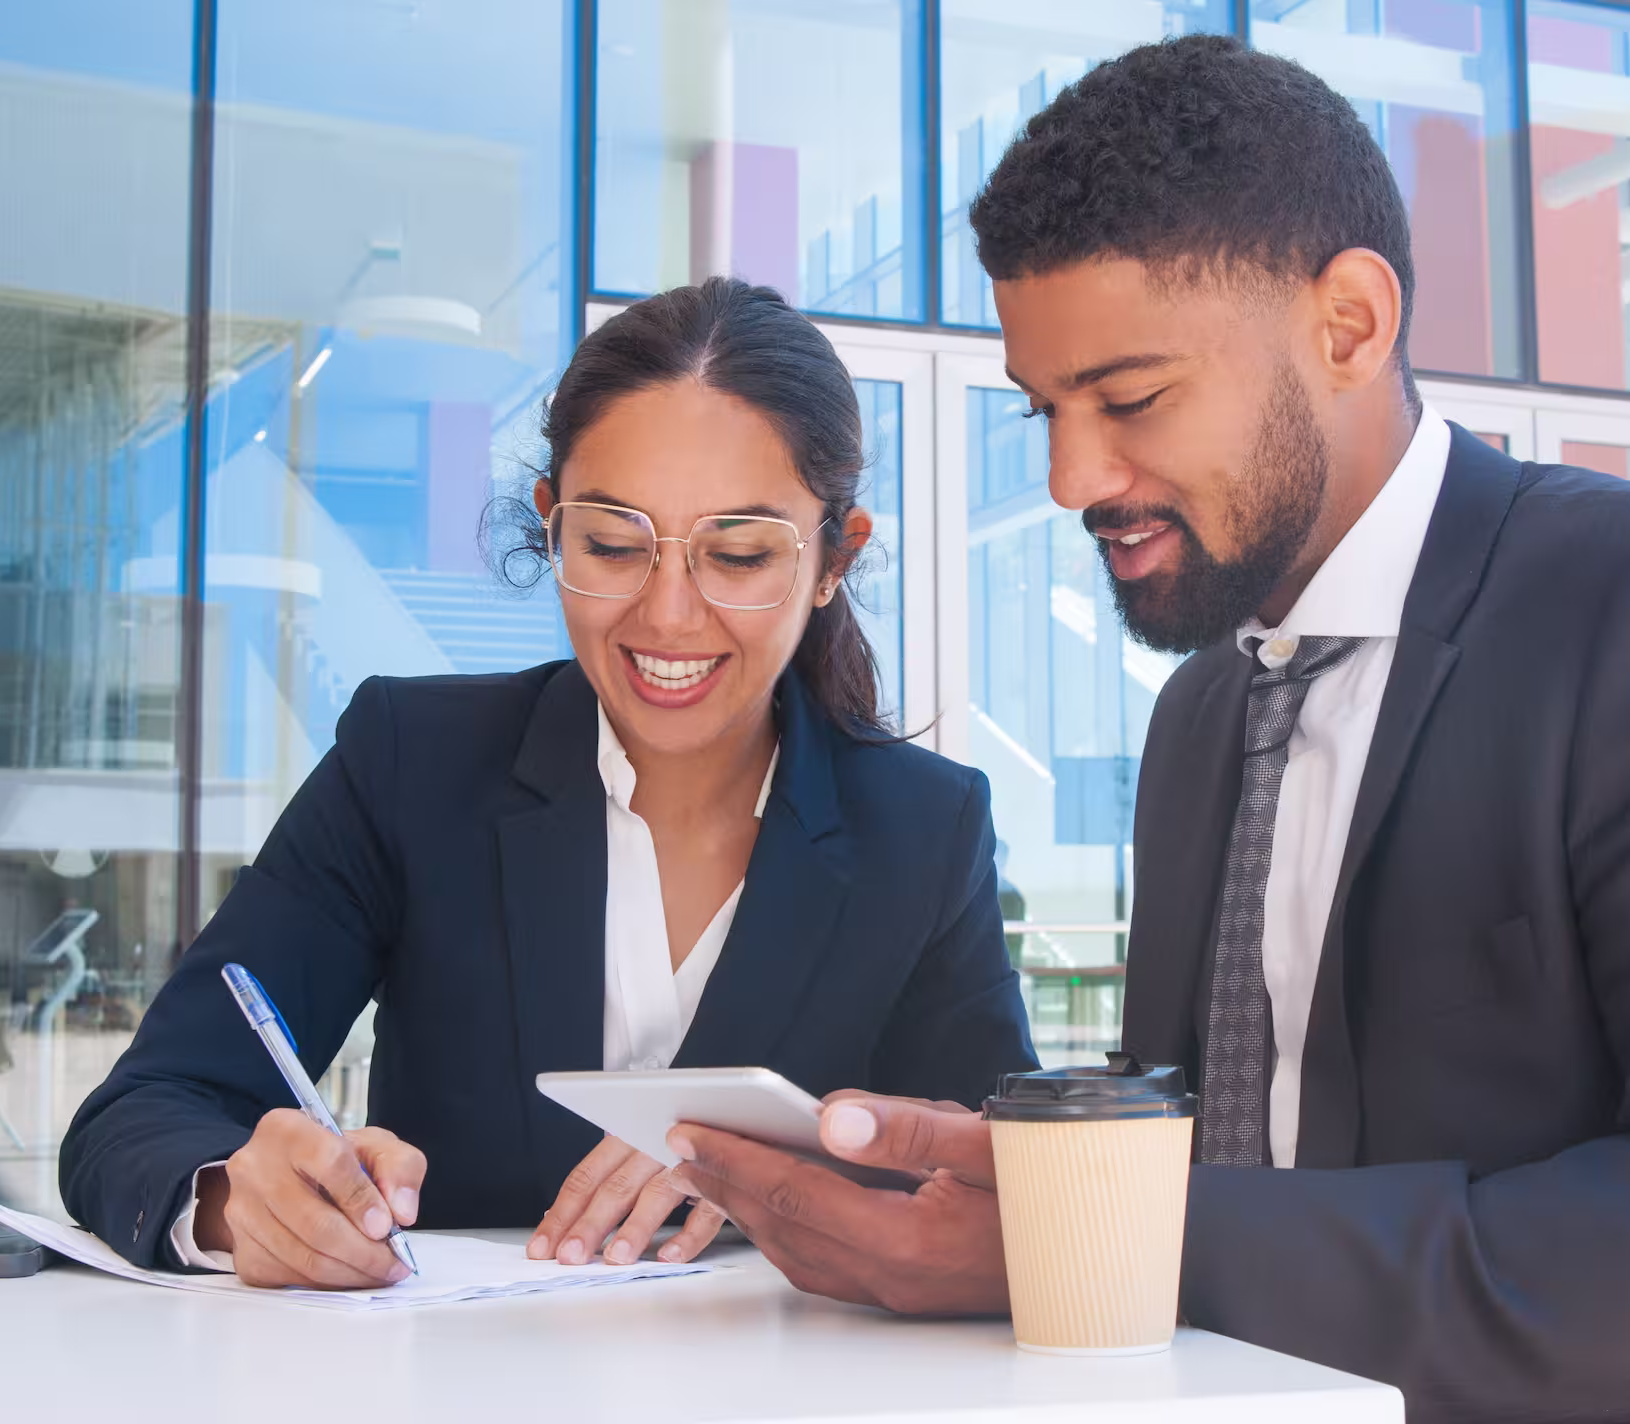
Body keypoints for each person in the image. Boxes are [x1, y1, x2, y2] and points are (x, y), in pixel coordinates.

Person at [662, 37, 1630, 1423]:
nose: (1072, 476)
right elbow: (1240, 1168)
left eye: (1131, 399)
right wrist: (1010, 1182)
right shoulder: (1210, 711)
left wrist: (1109, 1245)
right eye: (1046, 410)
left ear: (1349, 325)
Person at [58, 278, 1035, 1289]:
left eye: (737, 554)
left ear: (836, 556)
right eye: (610, 543)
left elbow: (1005, 1180)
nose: (667, 615)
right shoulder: (411, 762)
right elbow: (145, 1108)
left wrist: (776, 1173)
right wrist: (232, 1198)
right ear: (550, 522)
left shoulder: (924, 827)